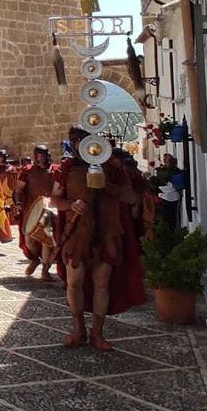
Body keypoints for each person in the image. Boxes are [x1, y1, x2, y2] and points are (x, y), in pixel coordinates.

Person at [49, 128, 145, 352]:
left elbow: (131, 197)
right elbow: (54, 199)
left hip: (107, 232)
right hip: (77, 233)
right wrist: (70, 205)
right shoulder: (66, 169)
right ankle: (78, 329)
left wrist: (107, 186)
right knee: (74, 282)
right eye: (73, 142)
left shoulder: (113, 169)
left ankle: (97, 333)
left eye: (80, 141)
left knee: (102, 284)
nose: (76, 146)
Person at [16, 144, 58, 281]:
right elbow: (18, 190)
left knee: (46, 240)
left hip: (49, 211)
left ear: (47, 156)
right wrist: (18, 203)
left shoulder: (55, 171)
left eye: (42, 155)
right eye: (37, 155)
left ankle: (45, 270)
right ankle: (35, 259)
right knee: (29, 240)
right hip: (32, 210)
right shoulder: (27, 171)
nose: (40, 158)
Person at [151, 153, 184, 231]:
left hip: (170, 196)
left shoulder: (171, 171)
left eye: (166, 161)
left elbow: (164, 176)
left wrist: (161, 169)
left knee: (172, 218)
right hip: (167, 197)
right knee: (170, 218)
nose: (165, 162)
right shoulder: (168, 170)